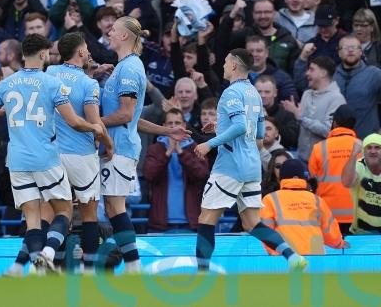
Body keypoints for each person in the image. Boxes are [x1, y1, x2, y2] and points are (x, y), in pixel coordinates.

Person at [0, 34, 108, 273]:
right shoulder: (51, 82)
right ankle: (51, 254)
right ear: (44, 54)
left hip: (16, 160)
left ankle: (23, 269)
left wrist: (4, 111)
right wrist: (95, 129)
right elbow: (74, 121)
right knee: (67, 210)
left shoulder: (7, 84)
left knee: (34, 220)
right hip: (48, 157)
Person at [193, 48, 307, 272]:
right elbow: (259, 135)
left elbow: (240, 126)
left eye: (226, 62)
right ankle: (292, 256)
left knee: (206, 219)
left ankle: (202, 275)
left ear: (234, 65)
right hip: (251, 167)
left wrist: (210, 143)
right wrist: (220, 127)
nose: (223, 65)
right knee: (252, 222)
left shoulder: (231, 92)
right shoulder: (254, 93)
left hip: (229, 167)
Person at [100, 16, 190, 273]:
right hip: (116, 146)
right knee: (112, 207)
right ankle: (130, 263)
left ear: (124, 36)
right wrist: (167, 130)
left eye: (113, 30)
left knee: (115, 207)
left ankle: (133, 264)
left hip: (119, 148)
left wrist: (92, 125)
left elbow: (126, 114)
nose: (109, 33)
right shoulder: (123, 66)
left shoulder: (130, 68)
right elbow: (135, 118)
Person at [45, 32, 111, 273]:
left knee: (56, 212)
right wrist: (108, 143)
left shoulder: (50, 73)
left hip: (52, 154)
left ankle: (51, 261)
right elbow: (95, 122)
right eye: (86, 49)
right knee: (89, 214)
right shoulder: (88, 84)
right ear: (81, 52)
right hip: (81, 154)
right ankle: (89, 270)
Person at [260, 159, 347, 255]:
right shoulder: (317, 200)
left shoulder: (270, 199)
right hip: (315, 258)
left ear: (281, 178)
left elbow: (265, 233)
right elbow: (331, 235)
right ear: (303, 177)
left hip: (287, 259)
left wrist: (276, 254)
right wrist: (340, 243)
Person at [143, 107, 209, 233]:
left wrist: (181, 152)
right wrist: (167, 153)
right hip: (159, 225)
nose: (173, 127)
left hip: (190, 224)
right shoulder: (155, 149)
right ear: (163, 126)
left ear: (184, 125)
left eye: (177, 123)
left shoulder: (196, 148)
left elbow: (202, 174)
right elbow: (149, 174)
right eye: (170, 123)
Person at [282, 56, 345, 163]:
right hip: (302, 157)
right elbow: (300, 123)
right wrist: (292, 113)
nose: (307, 73)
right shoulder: (306, 94)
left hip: (323, 162)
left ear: (323, 73)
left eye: (311, 70)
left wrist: (301, 118)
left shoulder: (337, 99)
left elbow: (329, 131)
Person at [308, 104, 358, 235]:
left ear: (335, 123)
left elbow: (312, 180)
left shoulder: (319, 148)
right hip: (357, 215)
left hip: (327, 214)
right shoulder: (362, 147)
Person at [334, 35, 381, 138]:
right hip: (337, 140)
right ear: (339, 53)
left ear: (361, 52)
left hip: (367, 140)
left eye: (354, 47)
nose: (350, 50)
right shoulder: (331, 75)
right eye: (346, 48)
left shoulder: (374, 74)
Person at [342, 134, 381, 234]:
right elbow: (346, 182)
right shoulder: (359, 165)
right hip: (360, 234)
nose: (373, 151)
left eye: (377, 148)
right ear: (364, 151)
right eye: (369, 147)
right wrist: (354, 154)